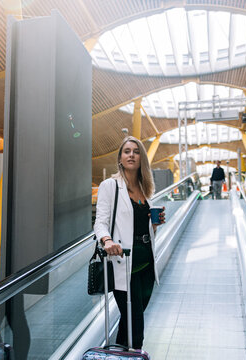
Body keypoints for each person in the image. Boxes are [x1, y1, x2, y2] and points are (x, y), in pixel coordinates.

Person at [94, 136, 166, 350]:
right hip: (124, 263)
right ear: (120, 158)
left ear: (141, 158)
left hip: (147, 265)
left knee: (131, 320)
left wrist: (155, 224)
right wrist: (107, 241)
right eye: (127, 151)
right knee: (136, 324)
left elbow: (141, 226)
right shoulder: (110, 186)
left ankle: (119, 354)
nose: (131, 155)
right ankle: (134, 353)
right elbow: (100, 222)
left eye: (136, 151)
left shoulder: (145, 189)